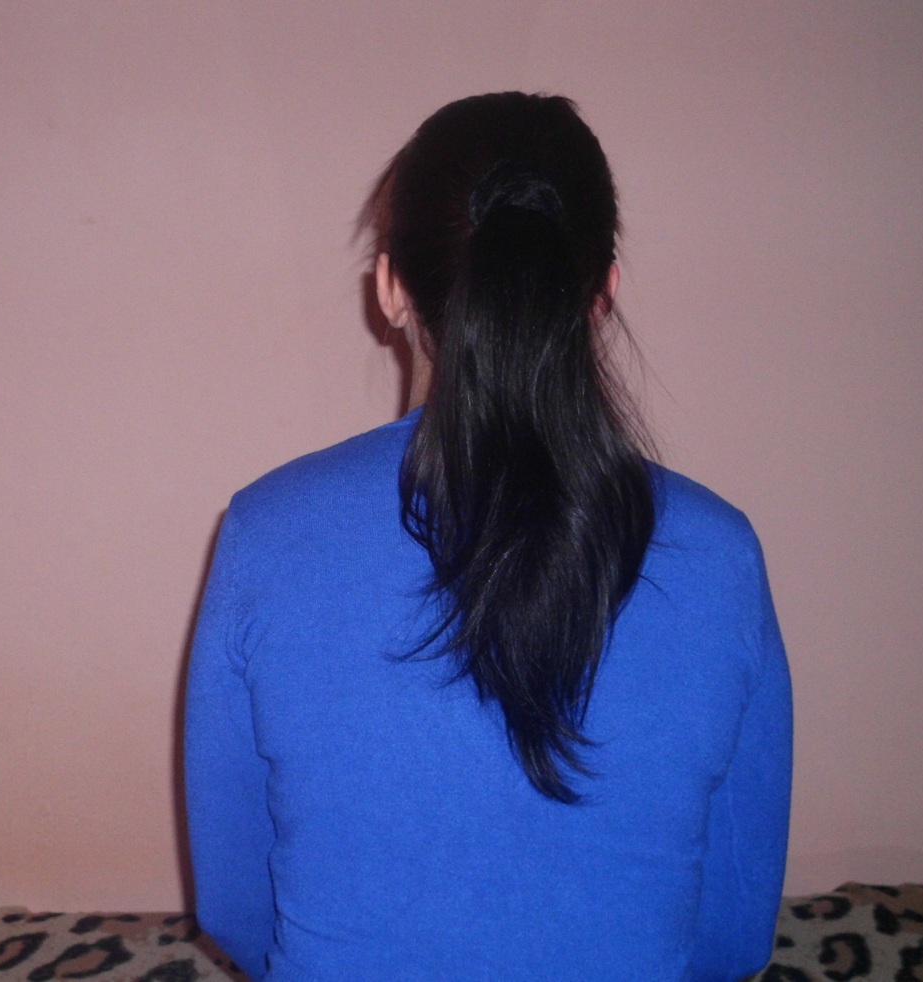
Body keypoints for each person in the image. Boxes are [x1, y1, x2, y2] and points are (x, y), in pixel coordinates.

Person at [185, 92, 792, 981]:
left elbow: (238, 912)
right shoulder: (721, 553)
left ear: (391, 287)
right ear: (602, 294)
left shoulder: (264, 534)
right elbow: (732, 935)